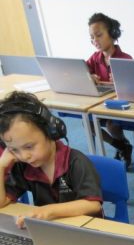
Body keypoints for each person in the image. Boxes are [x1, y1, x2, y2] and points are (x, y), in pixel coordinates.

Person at [0, 91, 102, 228]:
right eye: (14, 150)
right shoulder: (23, 165)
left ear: (51, 132)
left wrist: (47, 210)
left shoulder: (75, 162)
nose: (24, 156)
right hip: (52, 229)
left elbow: (92, 204)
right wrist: (1, 166)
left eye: (29, 146)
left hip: (86, 231)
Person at [87, 12, 133, 168]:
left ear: (112, 34)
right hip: (103, 104)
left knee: (111, 124)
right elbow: (82, 72)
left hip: (122, 107)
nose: (95, 41)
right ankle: (121, 146)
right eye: (92, 37)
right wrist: (89, 76)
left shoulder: (125, 59)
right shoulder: (95, 58)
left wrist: (123, 82)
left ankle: (123, 146)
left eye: (98, 35)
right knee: (88, 122)